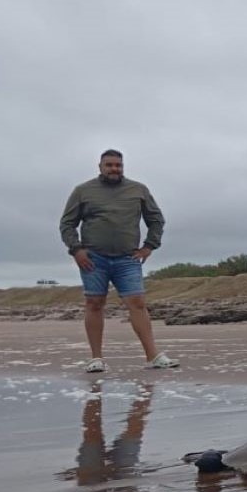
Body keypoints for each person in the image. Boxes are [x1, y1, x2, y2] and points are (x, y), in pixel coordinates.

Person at [60, 149, 178, 373]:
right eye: (109, 165)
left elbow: (156, 220)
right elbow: (67, 224)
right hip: (93, 259)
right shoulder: (83, 191)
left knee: (138, 303)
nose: (114, 169)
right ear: (100, 167)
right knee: (94, 303)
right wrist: (76, 250)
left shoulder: (138, 190)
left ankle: (153, 356)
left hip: (128, 258)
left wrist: (149, 246)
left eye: (118, 165)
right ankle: (96, 359)